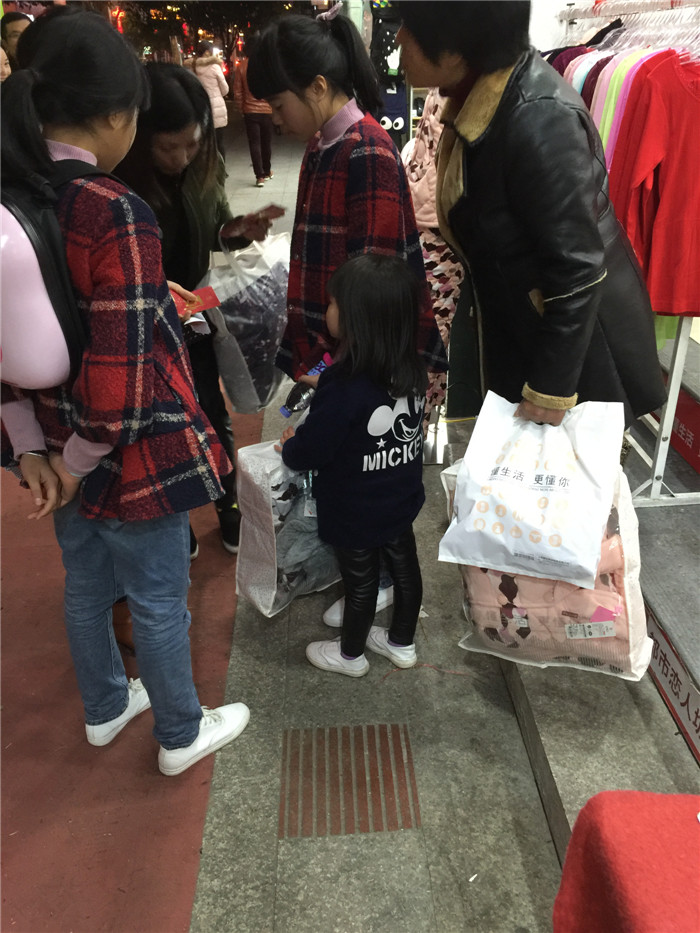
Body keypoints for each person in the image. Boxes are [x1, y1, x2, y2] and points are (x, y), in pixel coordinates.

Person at [1, 11, 249, 776]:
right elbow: (120, 381)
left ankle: (106, 706)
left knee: (85, 585)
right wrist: (77, 460)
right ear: (115, 116)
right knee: (158, 598)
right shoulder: (113, 210)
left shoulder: (12, 197)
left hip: (49, 444)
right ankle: (180, 732)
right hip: (126, 455)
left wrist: (33, 451)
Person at [247, 3, 447, 624]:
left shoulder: (367, 151)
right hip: (336, 346)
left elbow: (376, 285)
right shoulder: (325, 143)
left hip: (363, 356)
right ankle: (361, 568)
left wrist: (336, 365)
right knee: (345, 467)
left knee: (368, 474)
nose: (275, 118)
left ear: (316, 86)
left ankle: (378, 580)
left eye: (278, 103)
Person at [396, 1, 666, 429]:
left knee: (561, 471)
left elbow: (577, 266)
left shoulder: (538, 116)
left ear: (456, 43)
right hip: (526, 334)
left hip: (577, 362)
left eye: (410, 27)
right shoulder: (478, 95)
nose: (398, 39)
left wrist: (549, 390)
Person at [117, 63, 275, 555]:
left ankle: (228, 504)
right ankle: (176, 518)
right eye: (169, 147)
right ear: (140, 138)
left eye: (192, 144)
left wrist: (239, 230)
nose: (182, 158)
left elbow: (216, 228)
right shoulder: (122, 188)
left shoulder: (204, 167)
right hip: (145, 328)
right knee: (162, 426)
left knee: (211, 411)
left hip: (197, 315)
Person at [276, 254, 426, 677]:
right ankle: (401, 643)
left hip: (354, 508)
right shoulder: (411, 369)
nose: (328, 310)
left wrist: (290, 446)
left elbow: (313, 450)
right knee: (406, 571)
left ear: (356, 319)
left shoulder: (343, 387)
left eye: (333, 303)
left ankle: (350, 656)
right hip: (401, 497)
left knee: (361, 582)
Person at [233, 44, 274, 188]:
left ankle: (259, 176)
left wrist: (242, 108)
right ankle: (267, 171)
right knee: (266, 142)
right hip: (267, 110)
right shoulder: (267, 66)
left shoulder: (242, 66)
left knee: (254, 143)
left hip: (250, 111)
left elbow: (238, 91)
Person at [190, 40, 229, 158]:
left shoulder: (193, 68)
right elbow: (225, 90)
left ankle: (208, 166)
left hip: (202, 109)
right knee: (219, 142)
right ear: (208, 52)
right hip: (217, 109)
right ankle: (220, 167)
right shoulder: (215, 67)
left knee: (205, 143)